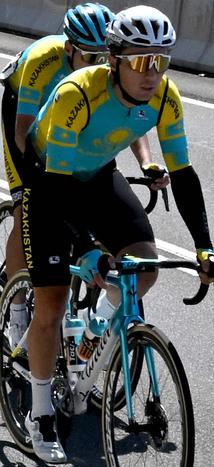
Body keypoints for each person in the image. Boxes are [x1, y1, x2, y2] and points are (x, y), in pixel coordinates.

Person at [19, 5, 214, 464]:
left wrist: (205, 247)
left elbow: (184, 175)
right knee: (51, 302)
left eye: (161, 61)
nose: (152, 73)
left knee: (144, 265)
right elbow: (58, 186)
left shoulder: (166, 98)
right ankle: (40, 414)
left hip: (96, 176)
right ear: (113, 60)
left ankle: (94, 337)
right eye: (139, 61)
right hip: (50, 180)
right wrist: (88, 247)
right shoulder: (79, 93)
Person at [2, 3, 166, 348]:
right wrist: (34, 184)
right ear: (69, 50)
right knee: (27, 206)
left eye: (104, 58)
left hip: (67, 122)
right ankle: (17, 310)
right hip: (26, 115)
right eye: (90, 58)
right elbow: (23, 133)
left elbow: (126, 118)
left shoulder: (105, 77)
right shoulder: (43, 62)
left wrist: (147, 163)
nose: (100, 66)